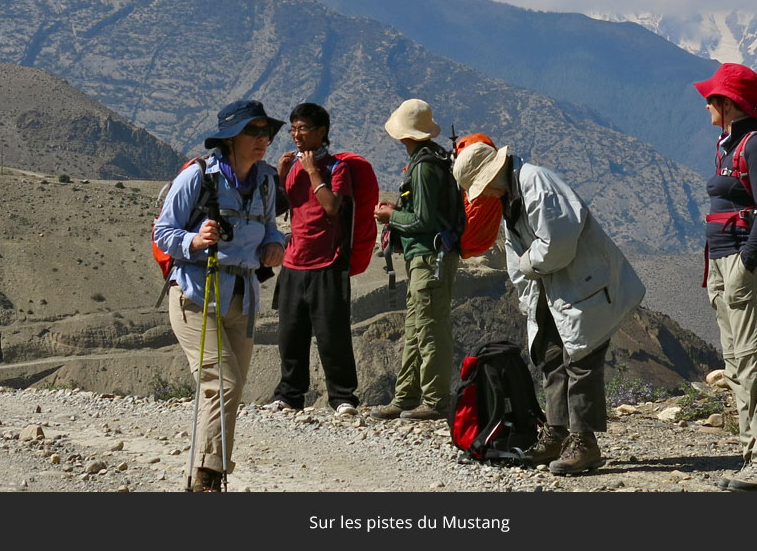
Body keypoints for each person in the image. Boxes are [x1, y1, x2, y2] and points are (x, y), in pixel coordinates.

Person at [452, 139, 645, 476]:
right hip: (555, 290)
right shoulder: (510, 195)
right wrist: (529, 298)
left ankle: (584, 442)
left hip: (584, 285)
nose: (483, 196)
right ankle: (556, 432)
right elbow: (517, 255)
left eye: (482, 188)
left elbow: (557, 244)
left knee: (582, 360)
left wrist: (528, 267)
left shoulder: (537, 184)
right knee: (552, 356)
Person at [153, 99, 287, 492]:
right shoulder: (198, 177)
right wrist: (193, 239)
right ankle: (208, 478)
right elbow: (164, 231)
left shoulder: (265, 181)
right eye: (254, 131)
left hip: (242, 300)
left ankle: (203, 475)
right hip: (196, 296)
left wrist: (275, 245)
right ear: (230, 138)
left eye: (266, 132)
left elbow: (270, 227)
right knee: (223, 384)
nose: (264, 139)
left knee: (228, 390)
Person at [693, 62, 757, 491]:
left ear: (729, 104)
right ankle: (754, 454)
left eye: (712, 98)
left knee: (755, 360)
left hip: (743, 264)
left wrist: (747, 263)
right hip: (723, 262)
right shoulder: (730, 143)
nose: (707, 103)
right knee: (737, 364)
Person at [369, 98, 460, 421]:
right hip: (424, 259)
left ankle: (436, 399)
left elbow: (423, 220)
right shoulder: (430, 161)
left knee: (430, 328)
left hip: (429, 259)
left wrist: (391, 216)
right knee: (415, 327)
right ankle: (406, 396)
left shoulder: (423, 168)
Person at [267, 102, 361, 416]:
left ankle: (342, 396)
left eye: (303, 128)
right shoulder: (292, 167)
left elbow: (332, 206)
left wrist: (312, 171)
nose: (296, 135)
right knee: (290, 333)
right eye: (293, 128)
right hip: (294, 262)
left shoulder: (337, 168)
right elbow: (279, 209)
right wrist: (280, 177)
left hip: (328, 263)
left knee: (332, 333)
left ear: (321, 132)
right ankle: (289, 394)